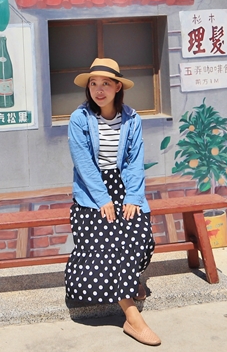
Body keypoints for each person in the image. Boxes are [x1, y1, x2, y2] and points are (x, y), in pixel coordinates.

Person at [65, 58, 160, 346]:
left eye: (105, 83)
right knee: (107, 242)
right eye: (93, 84)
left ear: (118, 87)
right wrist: (103, 198)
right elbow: (83, 163)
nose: (99, 89)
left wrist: (132, 196)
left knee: (140, 235)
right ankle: (133, 318)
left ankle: (129, 281)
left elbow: (134, 161)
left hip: (124, 186)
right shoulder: (79, 119)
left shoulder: (132, 118)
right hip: (91, 192)